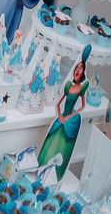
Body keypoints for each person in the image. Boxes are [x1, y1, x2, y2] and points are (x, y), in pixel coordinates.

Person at [38, 47, 90, 179]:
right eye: (77, 68)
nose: (78, 70)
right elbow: (59, 103)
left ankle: (55, 174)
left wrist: (69, 117)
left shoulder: (82, 88)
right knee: (51, 144)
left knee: (63, 147)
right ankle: (42, 169)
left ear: (83, 71)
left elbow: (82, 106)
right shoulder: (68, 86)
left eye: (81, 68)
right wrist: (60, 116)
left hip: (70, 120)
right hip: (61, 118)